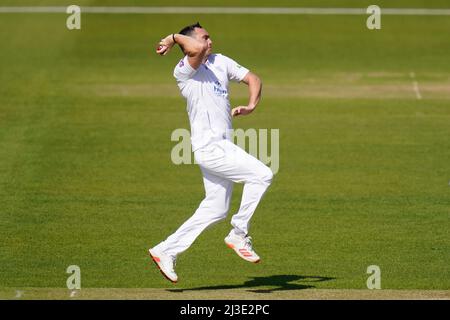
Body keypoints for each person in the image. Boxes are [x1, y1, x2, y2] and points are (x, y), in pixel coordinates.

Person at [149, 22, 273, 283]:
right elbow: (193, 50)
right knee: (262, 175)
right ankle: (239, 233)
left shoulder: (220, 61)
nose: (210, 42)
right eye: (205, 38)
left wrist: (251, 105)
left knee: (216, 208)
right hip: (209, 146)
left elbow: (254, 78)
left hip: (223, 145)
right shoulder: (184, 71)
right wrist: (173, 37)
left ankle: (165, 250)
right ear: (190, 42)